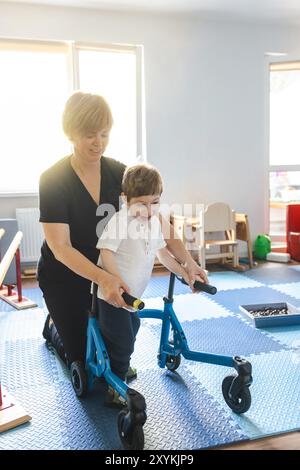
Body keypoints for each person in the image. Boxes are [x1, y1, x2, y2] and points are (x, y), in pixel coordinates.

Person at [38, 90, 207, 377]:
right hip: (66, 277)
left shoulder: (120, 173)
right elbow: (60, 247)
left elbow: (159, 223)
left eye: (104, 134)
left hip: (109, 270)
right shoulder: (53, 179)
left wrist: (189, 265)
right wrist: (104, 279)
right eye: (90, 134)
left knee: (111, 349)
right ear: (70, 133)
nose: (98, 142)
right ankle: (53, 326)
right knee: (84, 361)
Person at [96, 163, 205, 407]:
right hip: (113, 296)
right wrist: (116, 280)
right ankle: (116, 385)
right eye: (142, 203)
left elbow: (164, 254)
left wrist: (186, 272)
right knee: (122, 340)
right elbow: (106, 252)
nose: (149, 209)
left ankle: (119, 363)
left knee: (131, 331)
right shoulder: (120, 220)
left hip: (133, 300)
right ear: (125, 199)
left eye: (155, 202)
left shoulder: (153, 221)